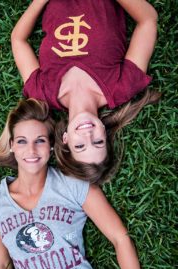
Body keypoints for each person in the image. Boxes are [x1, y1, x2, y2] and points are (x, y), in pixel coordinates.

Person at [0, 99, 146, 269]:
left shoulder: (73, 186)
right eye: (22, 141)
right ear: (12, 145)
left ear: (51, 146)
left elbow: (120, 238)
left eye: (40, 140)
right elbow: (2, 264)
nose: (31, 150)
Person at [11, 0, 160, 184]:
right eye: (98, 142)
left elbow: (18, 40)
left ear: (65, 139)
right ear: (105, 134)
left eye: (80, 145)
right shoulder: (121, 86)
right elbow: (148, 20)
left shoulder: (42, 92)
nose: (88, 135)